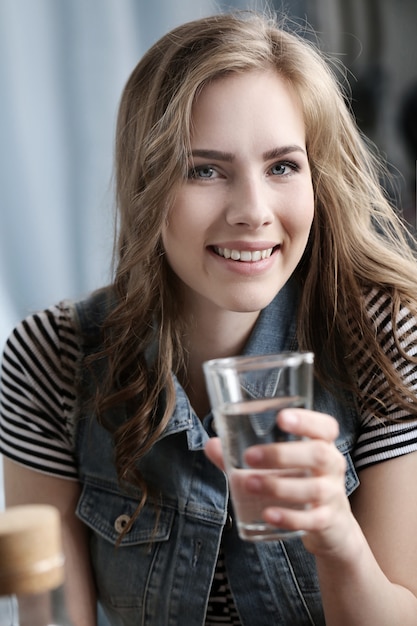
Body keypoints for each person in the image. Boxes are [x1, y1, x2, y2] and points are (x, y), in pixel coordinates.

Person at [1, 10, 417, 626]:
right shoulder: (51, 357)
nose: (253, 211)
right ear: (147, 182)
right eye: (204, 170)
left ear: (316, 178)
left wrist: (337, 538)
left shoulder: (384, 337)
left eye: (282, 166)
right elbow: (51, 613)